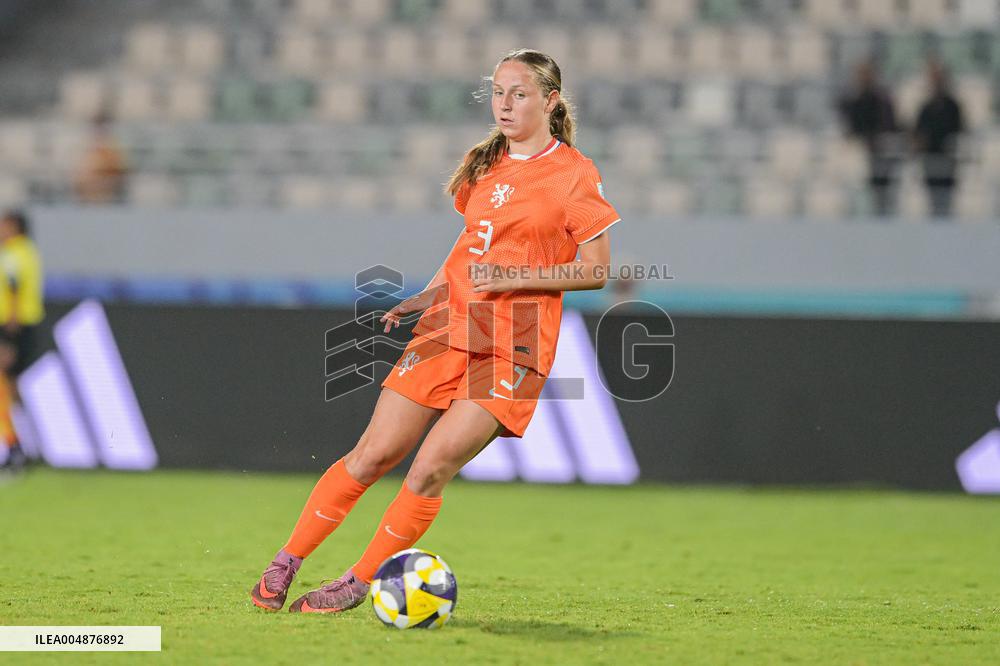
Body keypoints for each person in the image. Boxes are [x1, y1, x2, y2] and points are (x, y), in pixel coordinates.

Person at [249, 49, 621, 613]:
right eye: (498, 92)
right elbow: (470, 249)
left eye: (519, 93)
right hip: (450, 326)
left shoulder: (575, 173)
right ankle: (287, 560)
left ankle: (358, 580)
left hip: (515, 346)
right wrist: (433, 291)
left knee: (430, 468)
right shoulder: (484, 164)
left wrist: (515, 275)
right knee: (374, 454)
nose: (505, 103)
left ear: (549, 101)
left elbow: (596, 271)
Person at [0, 210, 43, 470]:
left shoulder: (12, 253)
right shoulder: (29, 251)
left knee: (7, 388)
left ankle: (17, 448)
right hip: (25, 325)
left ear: (14, 227)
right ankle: (20, 447)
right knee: (12, 387)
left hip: (12, 326)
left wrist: (9, 331)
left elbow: (13, 287)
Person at [838, 60, 902, 217]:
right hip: (861, 152)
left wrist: (873, 139)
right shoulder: (853, 100)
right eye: (860, 74)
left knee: (880, 192)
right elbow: (850, 127)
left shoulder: (882, 100)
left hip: (878, 153)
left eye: (866, 74)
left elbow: (889, 126)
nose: (863, 77)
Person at [913, 60, 965, 219]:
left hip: (947, 158)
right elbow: (918, 130)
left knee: (946, 199)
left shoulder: (953, 106)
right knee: (932, 199)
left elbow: (959, 129)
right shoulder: (926, 107)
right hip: (930, 159)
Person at [73, 111, 128, 204]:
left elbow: (120, 173)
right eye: (97, 128)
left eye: (103, 128)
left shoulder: (114, 148)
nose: (100, 131)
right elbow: (80, 177)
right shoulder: (84, 148)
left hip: (108, 196)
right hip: (89, 197)